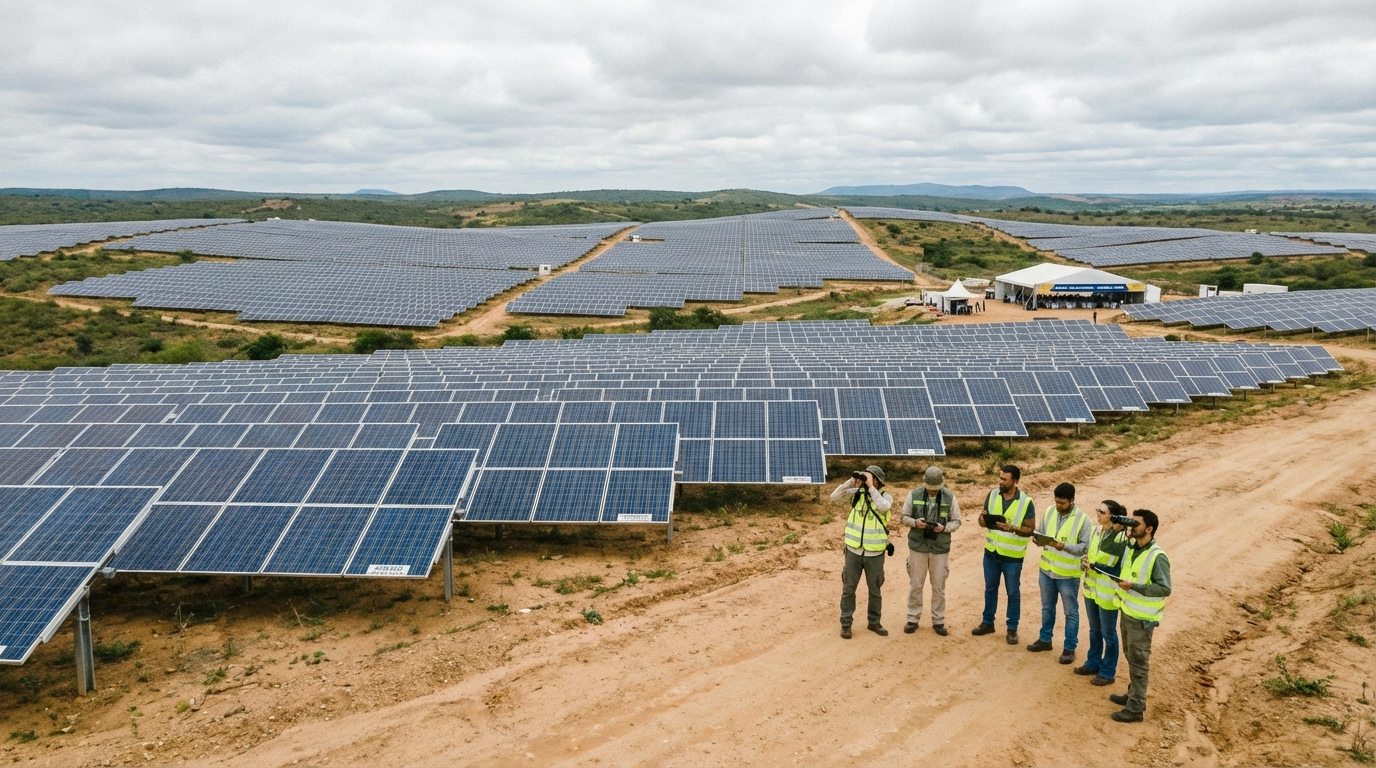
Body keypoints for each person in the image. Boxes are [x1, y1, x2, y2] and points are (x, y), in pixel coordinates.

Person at [1108, 509, 1172, 723]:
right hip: (1128, 611)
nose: (1132, 526)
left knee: (1139, 662)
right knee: (1131, 657)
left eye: (1136, 524)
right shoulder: (1132, 547)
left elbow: (1164, 588)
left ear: (1149, 529)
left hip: (1142, 619)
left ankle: (1136, 707)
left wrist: (1134, 586)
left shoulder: (1157, 556)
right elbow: (1109, 547)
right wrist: (1117, 529)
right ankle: (1133, 694)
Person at [1027, 482, 1091, 665]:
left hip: (1068, 575)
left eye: (1062, 503)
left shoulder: (1083, 520)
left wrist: (1064, 546)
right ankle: (1045, 639)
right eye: (1056, 501)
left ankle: (1069, 648)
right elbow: (1041, 532)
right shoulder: (1049, 512)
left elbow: (1085, 547)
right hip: (1047, 570)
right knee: (1047, 608)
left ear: (1072, 500)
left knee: (1070, 612)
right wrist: (1038, 539)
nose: (1058, 505)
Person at [971, 464, 1035, 644]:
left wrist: (1012, 528)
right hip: (991, 553)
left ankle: (1012, 629)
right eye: (1000, 478)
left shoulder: (1026, 502)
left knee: (1013, 593)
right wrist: (983, 518)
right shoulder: (992, 495)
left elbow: (1030, 530)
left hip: (1012, 558)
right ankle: (987, 623)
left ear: (1015, 481)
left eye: (1004, 479)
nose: (1000, 482)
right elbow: (981, 522)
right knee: (990, 589)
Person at [831, 465, 893, 639]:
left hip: (875, 553)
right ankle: (846, 624)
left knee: (875, 590)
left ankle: (874, 622)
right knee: (848, 589)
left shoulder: (885, 496)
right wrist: (851, 481)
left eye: (871, 478)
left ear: (878, 481)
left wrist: (871, 487)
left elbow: (883, 507)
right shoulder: (857, 494)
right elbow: (834, 497)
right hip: (853, 551)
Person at [899, 465, 961, 636]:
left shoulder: (950, 497)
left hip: (940, 548)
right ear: (924, 483)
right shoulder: (913, 495)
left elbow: (957, 521)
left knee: (939, 586)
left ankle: (938, 621)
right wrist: (915, 523)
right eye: (930, 488)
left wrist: (944, 528)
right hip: (918, 546)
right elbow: (903, 517)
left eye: (935, 489)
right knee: (916, 584)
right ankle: (912, 619)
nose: (932, 491)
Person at [1076, 500, 1130, 686]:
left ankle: (1107, 672)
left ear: (1112, 516)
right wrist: (1085, 561)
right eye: (1097, 510)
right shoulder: (1096, 530)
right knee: (1094, 630)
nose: (1098, 514)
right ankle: (1093, 662)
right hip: (1091, 589)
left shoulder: (1121, 538)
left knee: (1108, 633)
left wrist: (1115, 531)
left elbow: (1118, 564)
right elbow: (1091, 553)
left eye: (1102, 512)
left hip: (1108, 593)